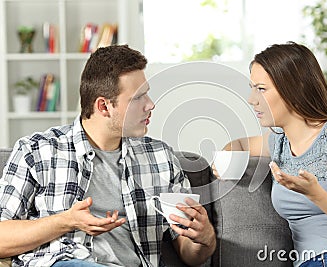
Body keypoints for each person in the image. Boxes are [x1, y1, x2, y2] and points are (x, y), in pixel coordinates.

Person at [0, 45, 216, 267]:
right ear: (104, 106)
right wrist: (66, 221)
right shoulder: (37, 151)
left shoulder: (160, 158)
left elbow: (191, 255)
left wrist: (204, 238)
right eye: (138, 98)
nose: (150, 105)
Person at [216, 42, 327, 266]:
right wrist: (226, 160)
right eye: (252, 88)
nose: (252, 99)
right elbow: (239, 144)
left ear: (293, 89)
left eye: (261, 89)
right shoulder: (279, 142)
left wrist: (317, 196)